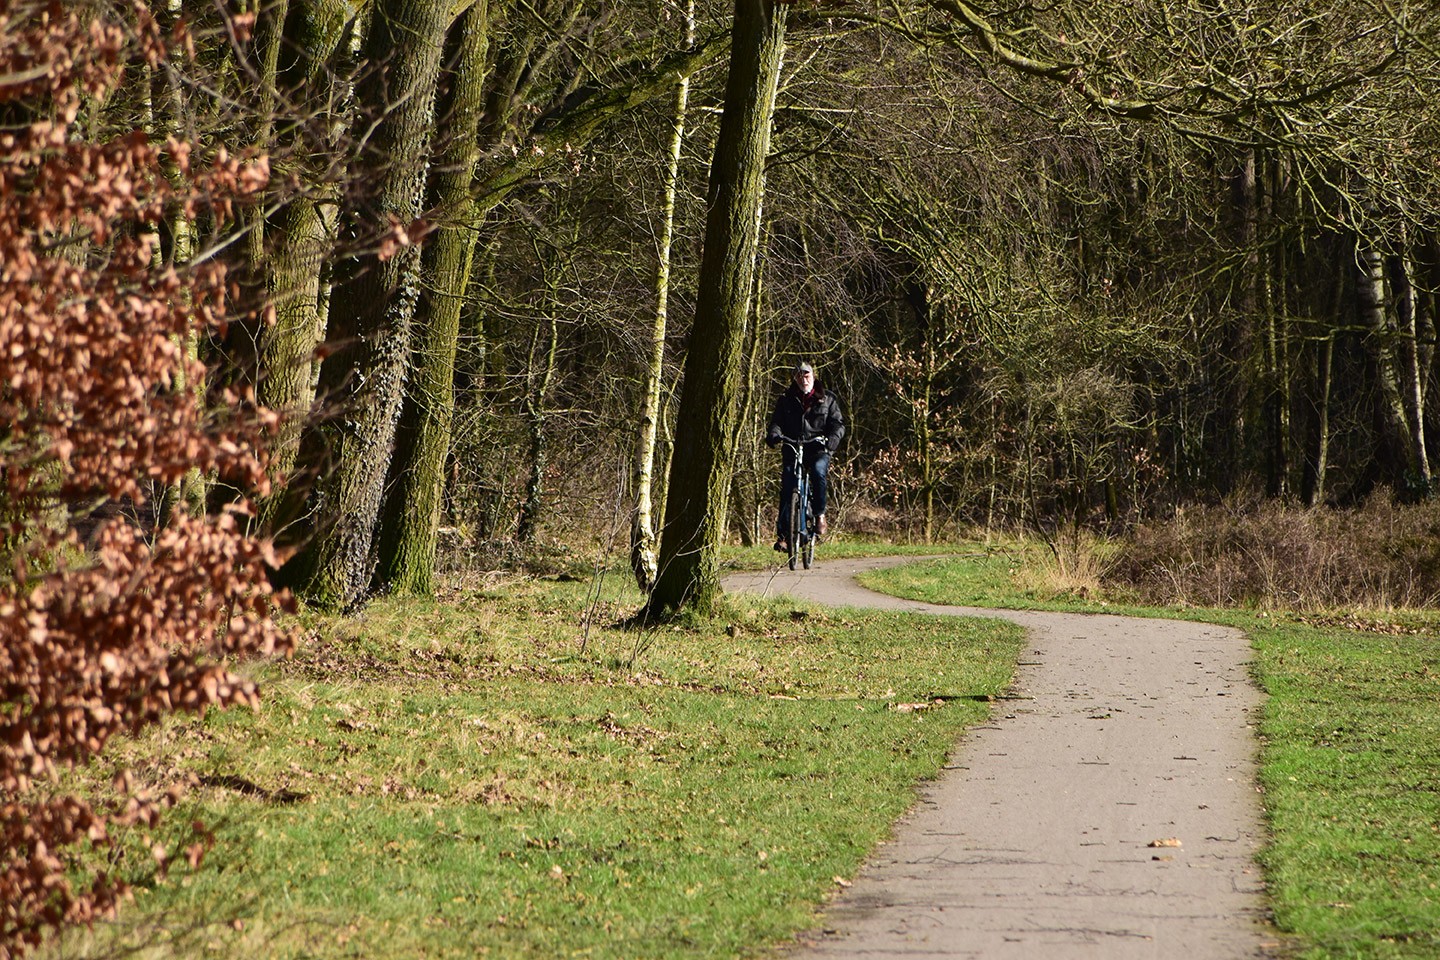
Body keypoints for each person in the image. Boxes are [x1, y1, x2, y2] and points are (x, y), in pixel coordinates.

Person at [765, 360, 845, 553]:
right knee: (788, 485)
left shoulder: (828, 399)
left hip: (818, 448)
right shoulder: (786, 399)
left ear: (813, 376)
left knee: (818, 472)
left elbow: (838, 424)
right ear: (795, 378)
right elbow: (776, 422)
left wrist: (832, 439)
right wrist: (774, 434)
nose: (804, 379)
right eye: (800, 376)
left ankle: (819, 515)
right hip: (793, 447)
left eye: (807, 375)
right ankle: (785, 535)